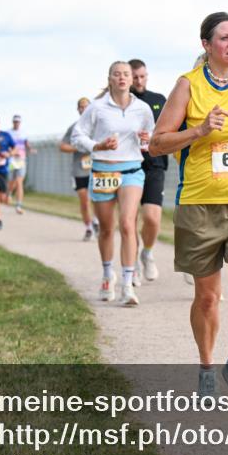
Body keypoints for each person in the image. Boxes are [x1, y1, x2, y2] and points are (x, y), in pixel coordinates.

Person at [148, 11, 228, 401]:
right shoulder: (188, 86)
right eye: (224, 38)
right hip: (200, 203)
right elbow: (157, 143)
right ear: (206, 45)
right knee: (206, 297)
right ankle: (206, 367)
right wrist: (201, 130)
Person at [72, 62, 155, 306]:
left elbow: (151, 140)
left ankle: (127, 285)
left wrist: (146, 140)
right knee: (107, 228)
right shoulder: (97, 107)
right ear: (109, 79)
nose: (122, 78)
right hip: (102, 171)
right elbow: (78, 135)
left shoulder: (142, 109)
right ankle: (108, 274)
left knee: (128, 223)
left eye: (126, 74)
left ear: (132, 80)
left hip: (131, 170)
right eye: (117, 74)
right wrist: (97, 146)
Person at [129, 58, 168, 283]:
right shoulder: (123, 103)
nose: (139, 81)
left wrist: (153, 137)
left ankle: (147, 252)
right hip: (129, 165)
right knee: (130, 218)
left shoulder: (158, 100)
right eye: (135, 77)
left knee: (152, 218)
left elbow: (168, 129)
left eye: (143, 76)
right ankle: (131, 262)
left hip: (155, 165)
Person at [60, 97, 99, 241]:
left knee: (97, 198)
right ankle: (88, 227)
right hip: (79, 169)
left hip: (96, 167)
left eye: (86, 106)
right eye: (81, 107)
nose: (83, 109)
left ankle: (96, 221)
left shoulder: (98, 125)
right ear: (78, 110)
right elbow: (62, 146)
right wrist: (78, 147)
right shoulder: (74, 127)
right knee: (84, 200)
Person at [7, 114, 34, 214]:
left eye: (18, 121)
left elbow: (26, 143)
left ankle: (18, 205)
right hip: (11, 160)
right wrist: (12, 152)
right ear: (12, 122)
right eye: (15, 121)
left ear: (20, 122)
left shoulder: (24, 133)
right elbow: (6, 145)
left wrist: (30, 149)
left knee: (19, 182)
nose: (16, 123)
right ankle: (9, 193)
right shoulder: (8, 133)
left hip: (21, 160)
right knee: (11, 181)